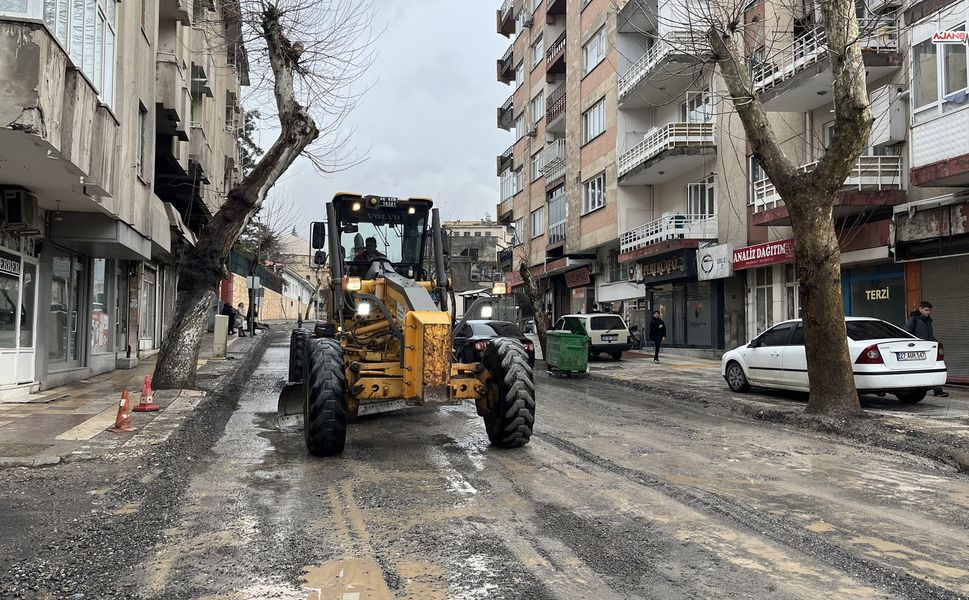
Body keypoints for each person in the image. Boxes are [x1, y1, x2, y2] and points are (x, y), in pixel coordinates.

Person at [905, 300, 948, 397]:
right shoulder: (914, 319)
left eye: (929, 310)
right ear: (920, 309)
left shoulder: (928, 320)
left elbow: (928, 335)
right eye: (926, 310)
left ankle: (938, 390)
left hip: (928, 349)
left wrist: (934, 341)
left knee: (932, 368)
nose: (928, 312)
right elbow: (907, 332)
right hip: (917, 350)